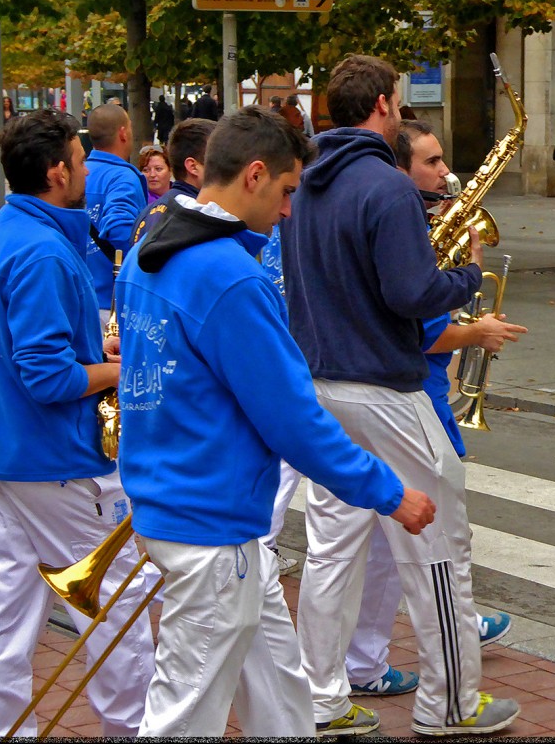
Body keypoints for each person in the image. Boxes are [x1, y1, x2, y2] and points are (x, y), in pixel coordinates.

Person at [115, 105, 435, 738]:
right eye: (288, 191)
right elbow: (294, 420)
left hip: (186, 505)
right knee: (181, 716)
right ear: (256, 175)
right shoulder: (230, 276)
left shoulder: (149, 252)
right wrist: (388, 492)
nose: (290, 211)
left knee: (279, 690)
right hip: (212, 521)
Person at [282, 53, 520, 737]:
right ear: (386, 104)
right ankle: (450, 704)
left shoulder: (305, 184)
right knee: (441, 547)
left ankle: (322, 699)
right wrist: (466, 277)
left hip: (321, 386)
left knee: (333, 550)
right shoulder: (384, 188)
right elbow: (412, 295)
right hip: (386, 389)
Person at [0, 109, 154, 737]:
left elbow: (27, 352)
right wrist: (118, 373)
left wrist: (98, 353)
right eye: (79, 161)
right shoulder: (43, 250)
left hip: (3, 452)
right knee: (116, 607)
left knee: (7, 610)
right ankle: (130, 727)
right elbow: (47, 378)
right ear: (56, 172)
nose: (88, 174)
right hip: (55, 461)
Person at [84, 103, 147, 327]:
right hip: (111, 302)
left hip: (83, 295)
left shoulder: (80, 172)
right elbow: (120, 231)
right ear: (123, 132)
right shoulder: (123, 177)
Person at [130, 118, 217, 244]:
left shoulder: (145, 214)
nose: (152, 175)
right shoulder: (197, 218)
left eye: (158, 169)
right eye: (216, 160)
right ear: (192, 167)